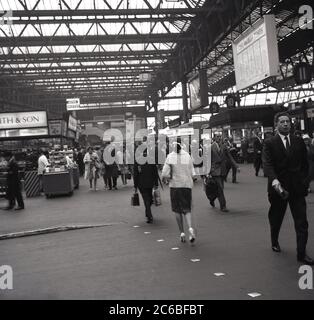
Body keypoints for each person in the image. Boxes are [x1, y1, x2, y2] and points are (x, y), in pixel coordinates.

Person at [262, 112, 313, 265]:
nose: (285, 124)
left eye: (287, 122)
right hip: (279, 189)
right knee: (276, 218)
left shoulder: (298, 142)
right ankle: (274, 240)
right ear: (276, 124)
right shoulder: (270, 143)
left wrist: (305, 181)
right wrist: (275, 182)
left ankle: (302, 253)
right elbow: (268, 165)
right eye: (282, 122)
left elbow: (306, 164)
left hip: (297, 188)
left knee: (302, 222)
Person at [162, 139, 196, 243]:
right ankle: (190, 228)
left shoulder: (170, 157)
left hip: (175, 186)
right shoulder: (187, 156)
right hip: (186, 185)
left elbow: (164, 174)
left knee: (177, 210)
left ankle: (182, 233)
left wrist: (167, 179)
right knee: (187, 209)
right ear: (181, 146)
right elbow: (193, 172)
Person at [133, 144, 159, 224]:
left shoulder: (137, 161)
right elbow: (155, 173)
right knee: (149, 199)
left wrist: (135, 185)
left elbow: (135, 174)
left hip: (141, 183)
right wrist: (156, 183)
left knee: (146, 199)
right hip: (150, 183)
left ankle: (148, 213)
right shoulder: (151, 159)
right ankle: (149, 214)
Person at [208, 134, 228, 212]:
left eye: (220, 137)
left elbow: (229, 156)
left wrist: (236, 166)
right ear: (214, 138)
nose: (219, 138)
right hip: (215, 171)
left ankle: (212, 198)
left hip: (222, 170)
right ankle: (223, 206)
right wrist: (208, 171)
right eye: (217, 137)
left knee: (219, 188)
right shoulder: (210, 147)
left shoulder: (224, 146)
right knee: (220, 188)